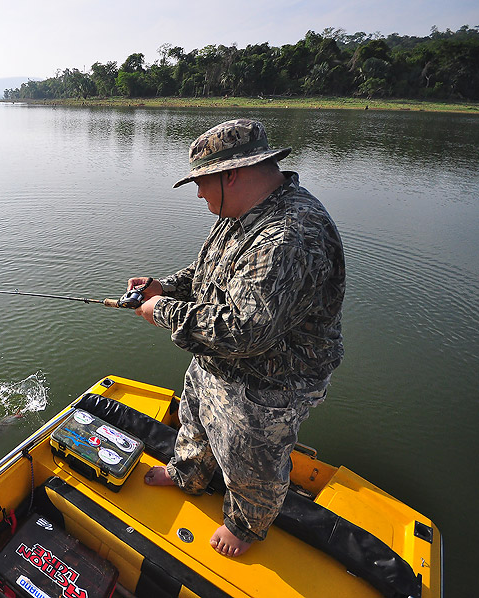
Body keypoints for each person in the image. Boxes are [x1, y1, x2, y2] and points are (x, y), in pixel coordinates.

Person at [128, 118, 345, 558]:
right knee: (195, 416)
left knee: (252, 458)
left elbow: (244, 330)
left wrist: (163, 312)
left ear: (232, 174)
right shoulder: (242, 211)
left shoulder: (290, 235)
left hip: (268, 383)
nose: (199, 193)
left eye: (203, 182)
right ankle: (188, 473)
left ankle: (245, 525)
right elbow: (207, 273)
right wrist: (164, 287)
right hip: (217, 361)